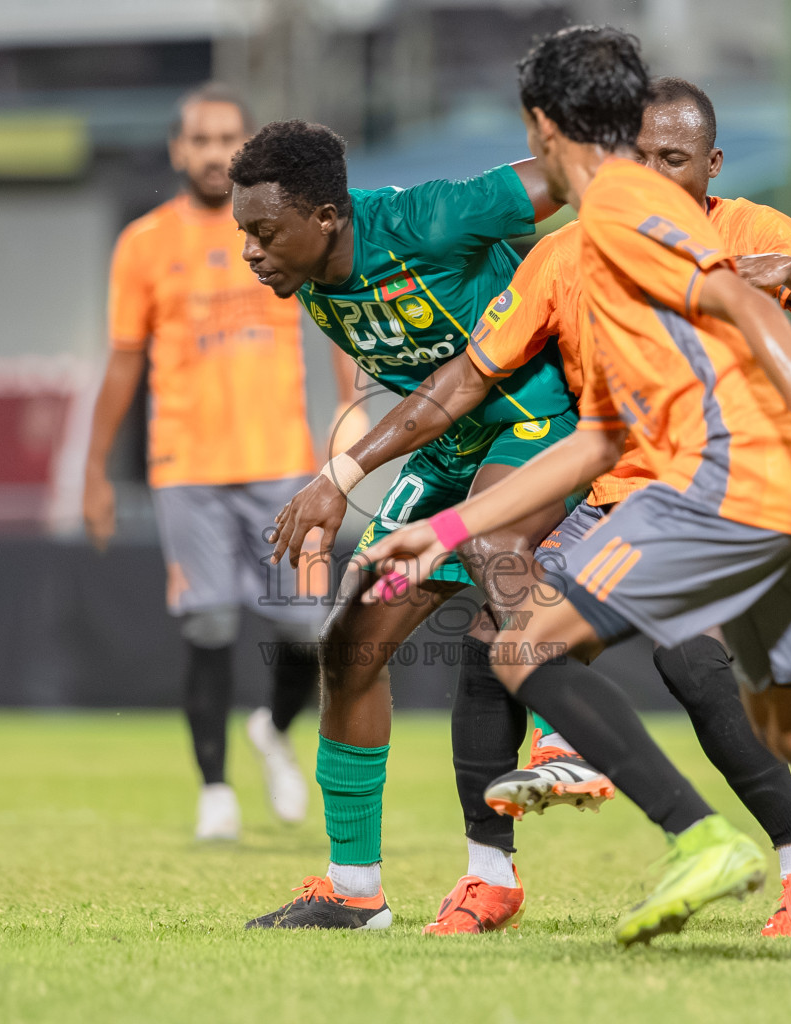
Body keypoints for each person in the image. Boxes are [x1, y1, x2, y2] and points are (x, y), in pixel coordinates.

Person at [361, 25, 791, 965]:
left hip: (722, 482)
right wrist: (452, 525)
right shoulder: (584, 248)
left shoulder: (621, 207)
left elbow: (752, 305)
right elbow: (600, 437)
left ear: (543, 125)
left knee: (525, 644)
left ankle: (696, 835)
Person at [283, 75, 791, 938]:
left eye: (674, 158)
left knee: (689, 662)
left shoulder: (748, 232)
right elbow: (471, 376)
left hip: (717, 495)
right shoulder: (571, 252)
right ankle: (484, 875)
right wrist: (345, 471)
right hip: (601, 487)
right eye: (638, 157)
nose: (653, 174)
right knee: (488, 641)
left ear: (711, 165)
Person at [230, 120, 579, 931]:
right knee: (349, 646)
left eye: (264, 232)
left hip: (537, 422)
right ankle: (354, 890)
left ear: (326, 217)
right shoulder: (308, 274)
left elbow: (567, 176)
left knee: (492, 550)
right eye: (244, 232)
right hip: (448, 449)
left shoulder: (430, 218)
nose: (250, 251)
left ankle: (568, 739)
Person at [83, 84, 354, 842]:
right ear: (177, 149)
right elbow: (123, 361)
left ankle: (273, 728)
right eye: (199, 139)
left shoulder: (281, 227)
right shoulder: (144, 244)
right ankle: (214, 791)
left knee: (307, 630)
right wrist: (94, 470)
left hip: (283, 464)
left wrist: (349, 409)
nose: (212, 153)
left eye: (226, 138)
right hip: (187, 468)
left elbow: (337, 315)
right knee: (206, 625)